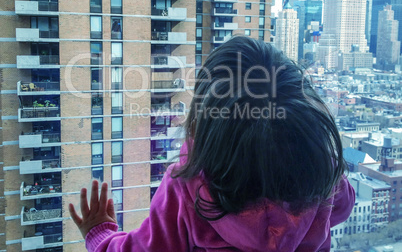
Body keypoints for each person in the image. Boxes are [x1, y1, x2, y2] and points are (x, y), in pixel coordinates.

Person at [69, 36, 355, 252]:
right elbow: (343, 206)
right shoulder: (322, 176)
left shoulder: (188, 190)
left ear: (202, 124)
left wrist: (99, 235)